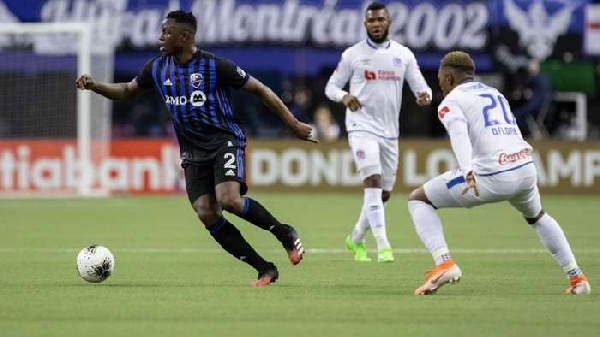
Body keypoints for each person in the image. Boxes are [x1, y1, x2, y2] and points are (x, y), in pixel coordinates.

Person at [76, 11, 316, 286]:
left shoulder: (216, 66)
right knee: (206, 212)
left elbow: (260, 89)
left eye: (166, 32)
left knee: (229, 200)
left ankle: (284, 233)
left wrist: (293, 123)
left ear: (185, 36)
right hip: (192, 151)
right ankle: (264, 268)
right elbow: (129, 90)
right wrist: (96, 86)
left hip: (225, 140)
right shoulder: (157, 68)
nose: (160, 37)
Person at [407, 51, 590, 295]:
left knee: (419, 200)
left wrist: (467, 169)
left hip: (491, 175)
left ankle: (444, 263)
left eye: (440, 78)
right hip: (524, 169)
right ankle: (577, 277)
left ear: (449, 77)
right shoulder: (494, 93)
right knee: (538, 217)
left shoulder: (451, 101)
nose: (439, 84)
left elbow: (459, 133)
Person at [324, 2, 432, 262]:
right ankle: (383, 245)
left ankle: (356, 237)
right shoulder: (353, 54)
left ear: (388, 23)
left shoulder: (403, 54)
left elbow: (420, 85)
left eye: (380, 20)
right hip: (361, 126)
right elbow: (331, 86)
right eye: (371, 21)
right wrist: (345, 95)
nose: (375, 24)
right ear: (365, 24)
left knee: (383, 192)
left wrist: (424, 94)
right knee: (371, 180)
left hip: (389, 132)